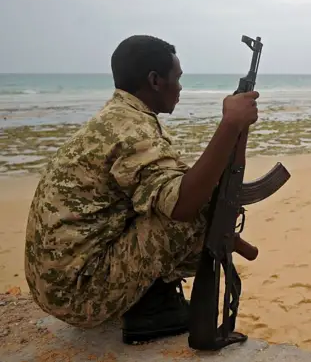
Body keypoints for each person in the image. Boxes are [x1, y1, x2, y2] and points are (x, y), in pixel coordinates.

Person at [23, 34, 260, 344]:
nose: (180, 87)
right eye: (176, 78)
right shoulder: (133, 131)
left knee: (193, 202)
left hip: (56, 283)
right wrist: (229, 124)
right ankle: (153, 310)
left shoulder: (118, 118)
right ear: (155, 80)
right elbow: (182, 205)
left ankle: (149, 300)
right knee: (192, 215)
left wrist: (237, 131)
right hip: (78, 294)